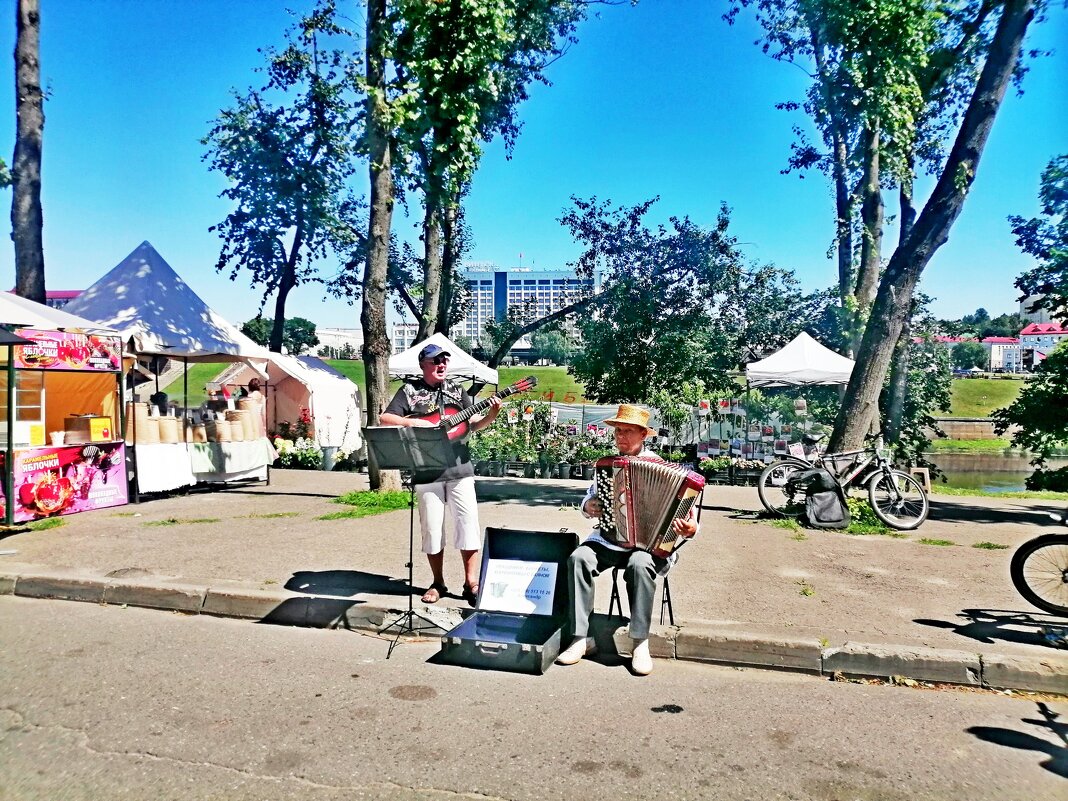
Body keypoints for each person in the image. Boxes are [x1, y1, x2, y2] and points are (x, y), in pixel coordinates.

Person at [556, 404, 698, 675]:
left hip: (648, 547)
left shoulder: (664, 468)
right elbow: (589, 496)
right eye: (618, 431)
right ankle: (582, 638)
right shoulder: (609, 465)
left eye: (628, 431)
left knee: (640, 564)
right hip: (610, 540)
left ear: (643, 435)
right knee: (579, 558)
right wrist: (588, 506)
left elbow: (689, 517)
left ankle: (640, 642)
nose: (620, 437)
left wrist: (690, 528)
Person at [380, 344, 502, 606]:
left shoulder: (458, 391)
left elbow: (474, 425)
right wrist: (411, 421)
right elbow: (385, 418)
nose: (441, 365)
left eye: (444, 361)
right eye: (435, 361)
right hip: (426, 470)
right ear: (423, 364)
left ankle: (471, 583)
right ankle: (438, 582)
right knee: (432, 529)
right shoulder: (410, 391)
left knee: (468, 524)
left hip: (460, 469)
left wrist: (492, 414)